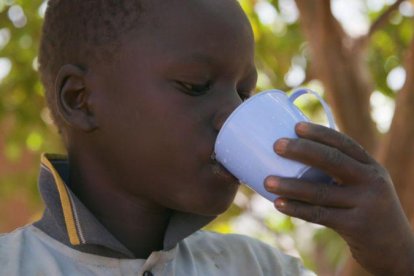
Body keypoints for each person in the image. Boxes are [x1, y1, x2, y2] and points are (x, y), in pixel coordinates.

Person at [0, 0, 413, 275]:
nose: (233, 112)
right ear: (81, 100)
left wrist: (396, 257)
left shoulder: (259, 268)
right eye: (195, 85)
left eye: (244, 92)